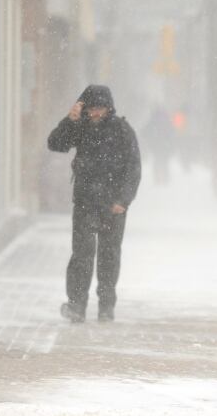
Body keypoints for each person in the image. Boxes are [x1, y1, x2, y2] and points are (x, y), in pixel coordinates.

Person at [47, 85, 141, 323]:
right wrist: (70, 119)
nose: (95, 113)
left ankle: (106, 307)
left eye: (100, 108)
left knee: (109, 256)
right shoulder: (79, 126)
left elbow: (133, 168)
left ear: (109, 108)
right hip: (85, 202)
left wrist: (123, 201)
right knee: (82, 255)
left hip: (113, 206)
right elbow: (56, 143)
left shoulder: (122, 130)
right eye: (91, 108)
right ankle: (77, 305)